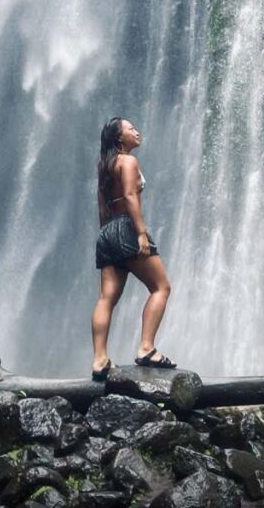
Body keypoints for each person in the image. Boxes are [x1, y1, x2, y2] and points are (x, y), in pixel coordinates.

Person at [90, 116, 176, 381]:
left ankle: (99, 359)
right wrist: (140, 233)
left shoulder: (105, 166)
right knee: (161, 287)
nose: (136, 132)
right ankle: (147, 348)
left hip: (108, 231)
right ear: (119, 138)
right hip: (128, 227)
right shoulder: (128, 161)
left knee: (107, 298)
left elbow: (103, 204)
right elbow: (129, 196)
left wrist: (108, 236)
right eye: (131, 129)